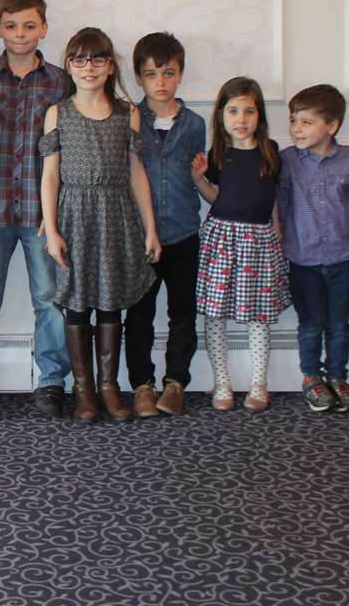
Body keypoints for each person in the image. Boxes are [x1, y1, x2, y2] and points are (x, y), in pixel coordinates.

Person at [41, 27, 160, 424]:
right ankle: (83, 390)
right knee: (76, 303)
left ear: (111, 66)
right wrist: (52, 228)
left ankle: (109, 386)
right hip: (74, 214)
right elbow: (50, 176)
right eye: (79, 59)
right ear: (69, 66)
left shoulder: (129, 114)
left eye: (97, 59)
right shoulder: (59, 112)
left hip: (116, 215)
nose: (88, 67)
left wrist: (150, 228)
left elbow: (137, 173)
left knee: (110, 300)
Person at [0, 0, 70, 421]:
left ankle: (51, 381)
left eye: (29, 25)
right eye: (10, 25)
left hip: (42, 214)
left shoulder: (61, 82)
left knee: (49, 297)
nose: (20, 34)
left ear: (44, 28)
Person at [191, 76, 287, 413]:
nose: (241, 119)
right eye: (233, 111)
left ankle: (259, 384)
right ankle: (222, 383)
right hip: (223, 240)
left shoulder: (271, 152)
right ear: (221, 115)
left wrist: (277, 232)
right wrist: (199, 179)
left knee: (258, 316)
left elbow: (273, 198)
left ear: (259, 115)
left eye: (249, 111)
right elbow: (215, 198)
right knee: (216, 314)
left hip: (260, 242)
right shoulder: (218, 154)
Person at [125, 32, 207, 418]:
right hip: (140, 237)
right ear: (139, 78)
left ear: (181, 75)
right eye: (151, 73)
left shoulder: (195, 125)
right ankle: (142, 384)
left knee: (182, 312)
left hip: (183, 233)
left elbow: (201, 177)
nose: (160, 81)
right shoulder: (129, 120)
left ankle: (175, 383)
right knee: (138, 313)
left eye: (168, 73)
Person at [278, 84, 349, 413]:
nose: (296, 129)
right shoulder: (288, 161)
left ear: (332, 126)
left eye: (306, 122)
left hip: (342, 257)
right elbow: (281, 204)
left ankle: (338, 377)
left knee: (339, 324)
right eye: (293, 121)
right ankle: (312, 378)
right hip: (304, 259)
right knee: (311, 323)